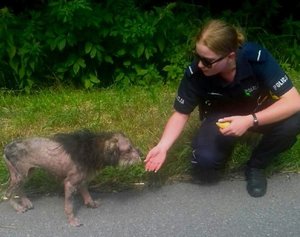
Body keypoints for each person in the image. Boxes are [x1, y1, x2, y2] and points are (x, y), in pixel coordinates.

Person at [144, 19, 300, 197]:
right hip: (221, 118)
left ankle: (256, 166)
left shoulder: (255, 57)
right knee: (205, 166)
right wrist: (163, 146)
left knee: (295, 119)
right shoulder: (196, 73)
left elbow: (294, 101)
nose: (201, 64)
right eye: (197, 57)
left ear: (230, 56)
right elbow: (180, 114)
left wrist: (250, 121)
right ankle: (223, 148)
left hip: (256, 111)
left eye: (207, 61)